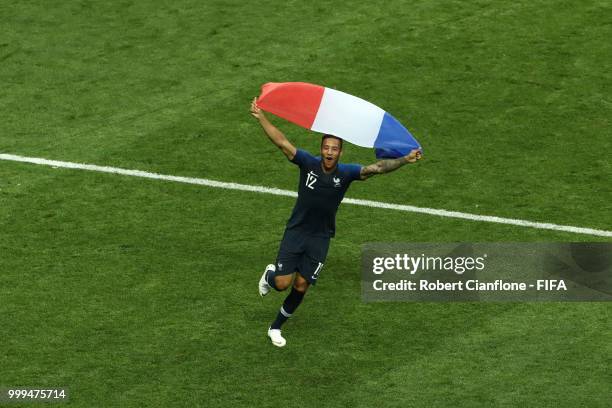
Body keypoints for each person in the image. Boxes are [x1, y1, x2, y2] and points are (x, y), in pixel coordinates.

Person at [250, 97, 422, 347]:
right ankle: (270, 275)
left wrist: (405, 160)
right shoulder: (307, 164)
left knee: (301, 285)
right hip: (296, 232)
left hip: (321, 238)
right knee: (282, 283)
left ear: (340, 153)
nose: (329, 152)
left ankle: (275, 327)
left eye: (334, 149)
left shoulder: (347, 173)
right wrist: (262, 117)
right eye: (326, 148)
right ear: (321, 149)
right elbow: (282, 142)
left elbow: (377, 168)